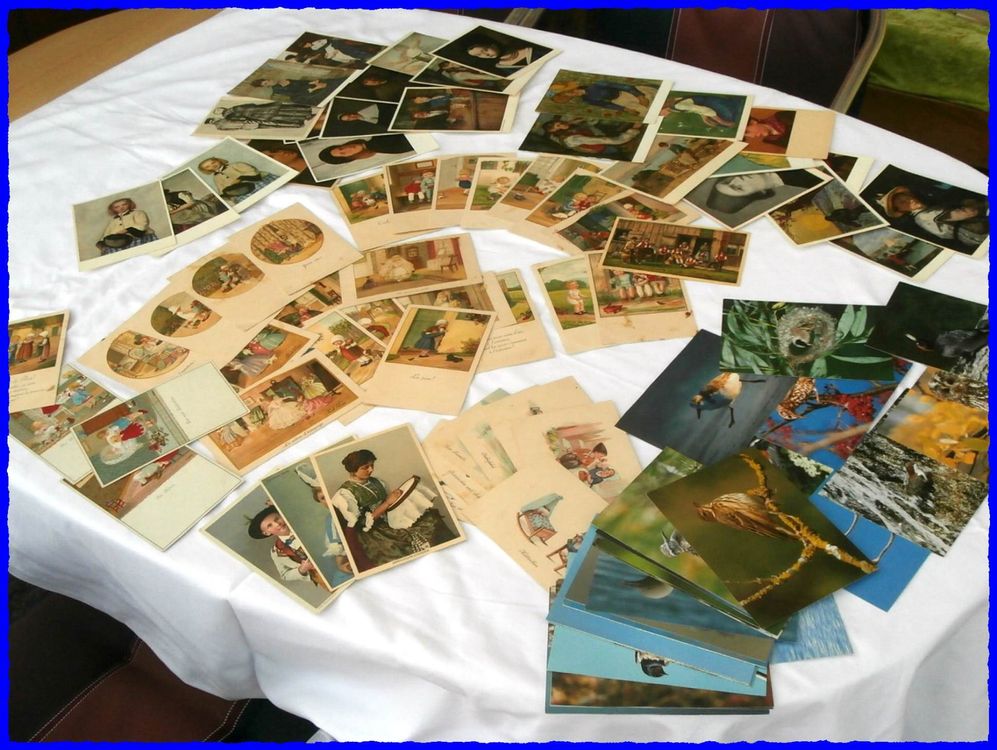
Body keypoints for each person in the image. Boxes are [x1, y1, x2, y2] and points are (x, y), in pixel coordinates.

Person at [328, 449, 451, 568]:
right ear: (353, 470)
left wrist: (396, 498)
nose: (371, 469)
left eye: (372, 465)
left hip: (389, 518)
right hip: (372, 531)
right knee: (394, 546)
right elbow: (361, 524)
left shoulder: (377, 482)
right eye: (365, 467)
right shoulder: (345, 494)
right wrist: (387, 503)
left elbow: (390, 505)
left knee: (430, 519)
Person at [247, 505, 328, 590]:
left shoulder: (307, 524)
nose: (277, 524)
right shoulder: (277, 550)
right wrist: (302, 569)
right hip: (321, 576)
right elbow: (285, 574)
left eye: (277, 519)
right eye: (269, 525)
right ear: (266, 533)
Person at [197, 157, 277, 201]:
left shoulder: (235, 165)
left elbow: (252, 171)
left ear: (219, 160)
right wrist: (225, 192)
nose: (212, 166)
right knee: (239, 198)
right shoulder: (216, 177)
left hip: (252, 180)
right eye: (208, 166)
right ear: (206, 170)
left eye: (213, 162)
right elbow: (221, 188)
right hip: (239, 190)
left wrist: (240, 178)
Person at [316, 136, 412, 166]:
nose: (348, 149)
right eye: (343, 153)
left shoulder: (374, 143)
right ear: (348, 158)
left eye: (341, 148)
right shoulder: (378, 146)